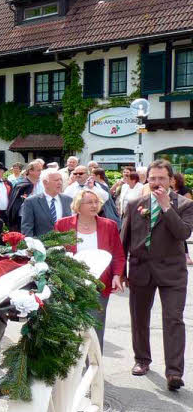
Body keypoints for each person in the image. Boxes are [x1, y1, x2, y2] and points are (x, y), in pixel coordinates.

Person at [122, 160, 193, 391]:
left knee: (173, 319)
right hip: (141, 269)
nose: (156, 183)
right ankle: (142, 360)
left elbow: (183, 232)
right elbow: (125, 240)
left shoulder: (184, 204)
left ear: (171, 180)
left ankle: (174, 372)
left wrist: (166, 207)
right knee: (139, 317)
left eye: (161, 178)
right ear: (147, 180)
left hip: (172, 271)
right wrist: (121, 271)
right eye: (152, 178)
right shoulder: (135, 204)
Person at [54, 188, 125, 352]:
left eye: (96, 202)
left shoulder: (109, 225)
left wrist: (116, 275)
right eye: (89, 202)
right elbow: (56, 252)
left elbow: (118, 254)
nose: (94, 205)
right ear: (78, 205)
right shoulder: (63, 224)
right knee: (70, 326)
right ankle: (72, 367)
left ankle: (94, 368)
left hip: (99, 284)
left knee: (94, 327)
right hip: (71, 284)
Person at [20, 172, 73, 237]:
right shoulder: (31, 201)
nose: (60, 183)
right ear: (45, 183)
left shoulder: (68, 200)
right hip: (41, 244)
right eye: (56, 180)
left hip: (66, 243)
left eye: (61, 180)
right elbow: (27, 227)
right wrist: (31, 244)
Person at [6, 162, 42, 232]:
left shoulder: (42, 184)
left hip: (39, 218)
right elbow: (14, 205)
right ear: (30, 171)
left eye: (41, 170)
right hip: (24, 218)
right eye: (38, 170)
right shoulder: (21, 185)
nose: (41, 172)